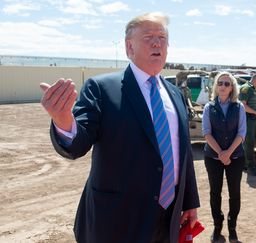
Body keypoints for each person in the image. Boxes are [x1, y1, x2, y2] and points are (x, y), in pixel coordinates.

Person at [39, 12, 200, 243]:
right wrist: (64, 119)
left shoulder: (174, 93)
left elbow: (181, 152)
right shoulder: (102, 88)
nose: (157, 43)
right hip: (117, 219)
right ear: (129, 47)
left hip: (168, 217)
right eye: (148, 37)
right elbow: (78, 142)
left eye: (162, 38)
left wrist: (189, 202)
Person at [202, 72, 246, 243]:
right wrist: (221, 153)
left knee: (235, 193)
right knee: (215, 193)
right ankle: (217, 225)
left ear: (232, 87)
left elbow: (242, 133)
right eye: (220, 83)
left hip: (235, 157)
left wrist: (228, 153)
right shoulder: (209, 107)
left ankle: (232, 226)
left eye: (227, 83)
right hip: (213, 158)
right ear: (216, 85)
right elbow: (206, 133)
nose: (223, 86)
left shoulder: (239, 107)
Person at [239, 74, 256, 176]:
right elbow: (243, 105)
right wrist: (255, 112)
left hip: (252, 119)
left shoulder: (253, 88)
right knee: (249, 143)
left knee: (251, 142)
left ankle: (246, 163)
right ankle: (250, 166)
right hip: (247, 119)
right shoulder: (247, 88)